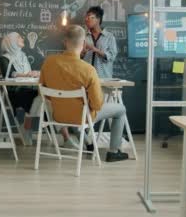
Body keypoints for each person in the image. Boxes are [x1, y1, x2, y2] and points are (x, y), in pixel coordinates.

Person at [39, 25, 129, 162]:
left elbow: (43, 92)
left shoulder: (48, 62)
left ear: (65, 41)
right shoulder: (88, 70)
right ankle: (113, 152)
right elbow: (97, 104)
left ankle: (89, 144)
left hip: (58, 115)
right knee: (120, 110)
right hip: (81, 117)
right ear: (83, 44)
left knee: (76, 111)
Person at [0, 32, 41, 145]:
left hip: (27, 89)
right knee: (34, 96)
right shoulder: (4, 58)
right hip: (14, 93)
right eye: (19, 37)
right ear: (11, 42)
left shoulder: (22, 56)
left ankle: (26, 126)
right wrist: (26, 75)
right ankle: (26, 127)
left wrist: (33, 73)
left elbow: (27, 72)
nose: (22, 38)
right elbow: (9, 74)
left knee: (41, 95)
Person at [81, 6, 118, 79]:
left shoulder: (109, 37)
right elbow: (77, 58)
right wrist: (83, 53)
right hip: (86, 78)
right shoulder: (83, 36)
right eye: (86, 17)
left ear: (98, 19)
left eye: (90, 17)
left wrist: (96, 50)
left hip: (104, 78)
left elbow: (112, 56)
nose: (86, 20)